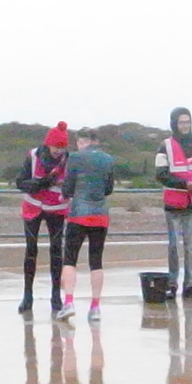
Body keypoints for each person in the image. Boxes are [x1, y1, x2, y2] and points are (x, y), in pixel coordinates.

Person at [55, 128, 114, 322]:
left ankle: (69, 302)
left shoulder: (75, 158)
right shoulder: (108, 159)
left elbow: (69, 187)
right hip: (101, 216)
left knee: (70, 259)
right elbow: (108, 189)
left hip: (78, 215)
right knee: (96, 261)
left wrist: (65, 194)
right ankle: (95, 307)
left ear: (83, 141)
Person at [14, 121, 70, 314]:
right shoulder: (33, 156)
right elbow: (20, 183)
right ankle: (27, 295)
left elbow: (71, 186)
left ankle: (56, 296)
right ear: (48, 144)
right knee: (31, 250)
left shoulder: (69, 160)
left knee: (56, 251)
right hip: (33, 207)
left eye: (62, 148)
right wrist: (39, 184)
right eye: (56, 147)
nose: (59, 151)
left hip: (57, 209)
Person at [155, 107, 192, 301]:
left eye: (187, 122)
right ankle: (172, 283)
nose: (185, 126)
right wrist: (184, 184)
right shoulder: (165, 146)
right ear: (174, 124)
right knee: (174, 246)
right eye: (181, 122)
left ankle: (190, 285)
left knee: (191, 245)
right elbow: (161, 174)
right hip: (174, 203)